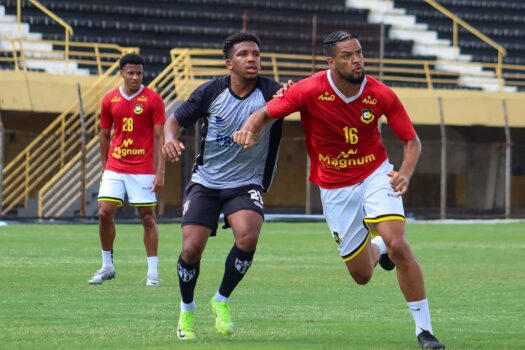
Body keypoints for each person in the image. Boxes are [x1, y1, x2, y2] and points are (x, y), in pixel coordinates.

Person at [233, 31, 445, 349]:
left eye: (359, 53)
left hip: (376, 175)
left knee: (399, 244)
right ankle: (380, 247)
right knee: (361, 275)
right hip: (334, 188)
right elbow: (264, 114)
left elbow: (411, 140)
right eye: (347, 55)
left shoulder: (381, 93)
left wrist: (405, 172)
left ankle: (424, 331)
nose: (356, 60)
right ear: (331, 62)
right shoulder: (308, 90)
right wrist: (249, 130)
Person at [162, 32, 285, 340]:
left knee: (247, 236)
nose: (252, 59)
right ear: (230, 63)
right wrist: (169, 140)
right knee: (191, 249)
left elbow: (301, 99)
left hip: (246, 182)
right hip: (206, 181)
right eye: (244, 54)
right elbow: (173, 121)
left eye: (256, 54)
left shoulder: (272, 92)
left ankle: (221, 300)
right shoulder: (209, 92)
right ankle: (186, 311)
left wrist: (294, 92)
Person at [88, 53, 166, 287]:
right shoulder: (109, 100)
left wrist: (160, 171)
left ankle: (152, 273)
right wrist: (105, 168)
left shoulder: (153, 99)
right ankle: (107, 266)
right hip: (115, 165)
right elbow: (103, 136)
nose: (135, 77)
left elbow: (161, 137)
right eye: (130, 73)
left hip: (143, 168)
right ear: (121, 73)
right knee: (104, 212)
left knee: (147, 217)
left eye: (139, 73)